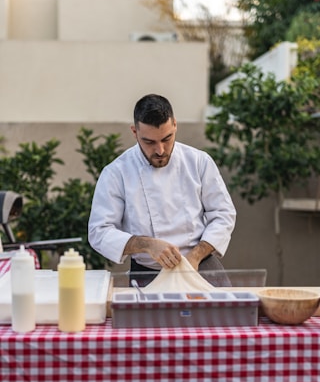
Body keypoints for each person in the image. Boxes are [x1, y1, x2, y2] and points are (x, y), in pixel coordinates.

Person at [88, 94, 236, 284]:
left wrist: (196, 255)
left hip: (202, 266)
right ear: (134, 132)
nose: (160, 150)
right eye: (149, 142)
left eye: (167, 139)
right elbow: (99, 231)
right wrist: (147, 244)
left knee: (223, 315)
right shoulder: (116, 173)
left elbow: (223, 214)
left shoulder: (199, 161)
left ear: (175, 125)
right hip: (148, 273)